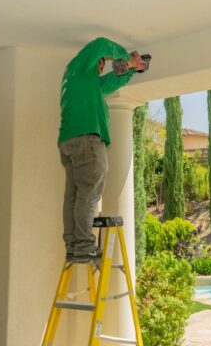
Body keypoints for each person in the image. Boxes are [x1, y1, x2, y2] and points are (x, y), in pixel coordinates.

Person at [58, 37, 148, 261]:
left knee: (74, 195)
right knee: (90, 193)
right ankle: (85, 246)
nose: (101, 65)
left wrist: (130, 68)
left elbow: (113, 81)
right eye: (99, 62)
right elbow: (100, 43)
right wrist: (126, 57)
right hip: (87, 140)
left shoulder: (86, 83)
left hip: (69, 142)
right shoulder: (78, 67)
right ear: (90, 61)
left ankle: (73, 244)